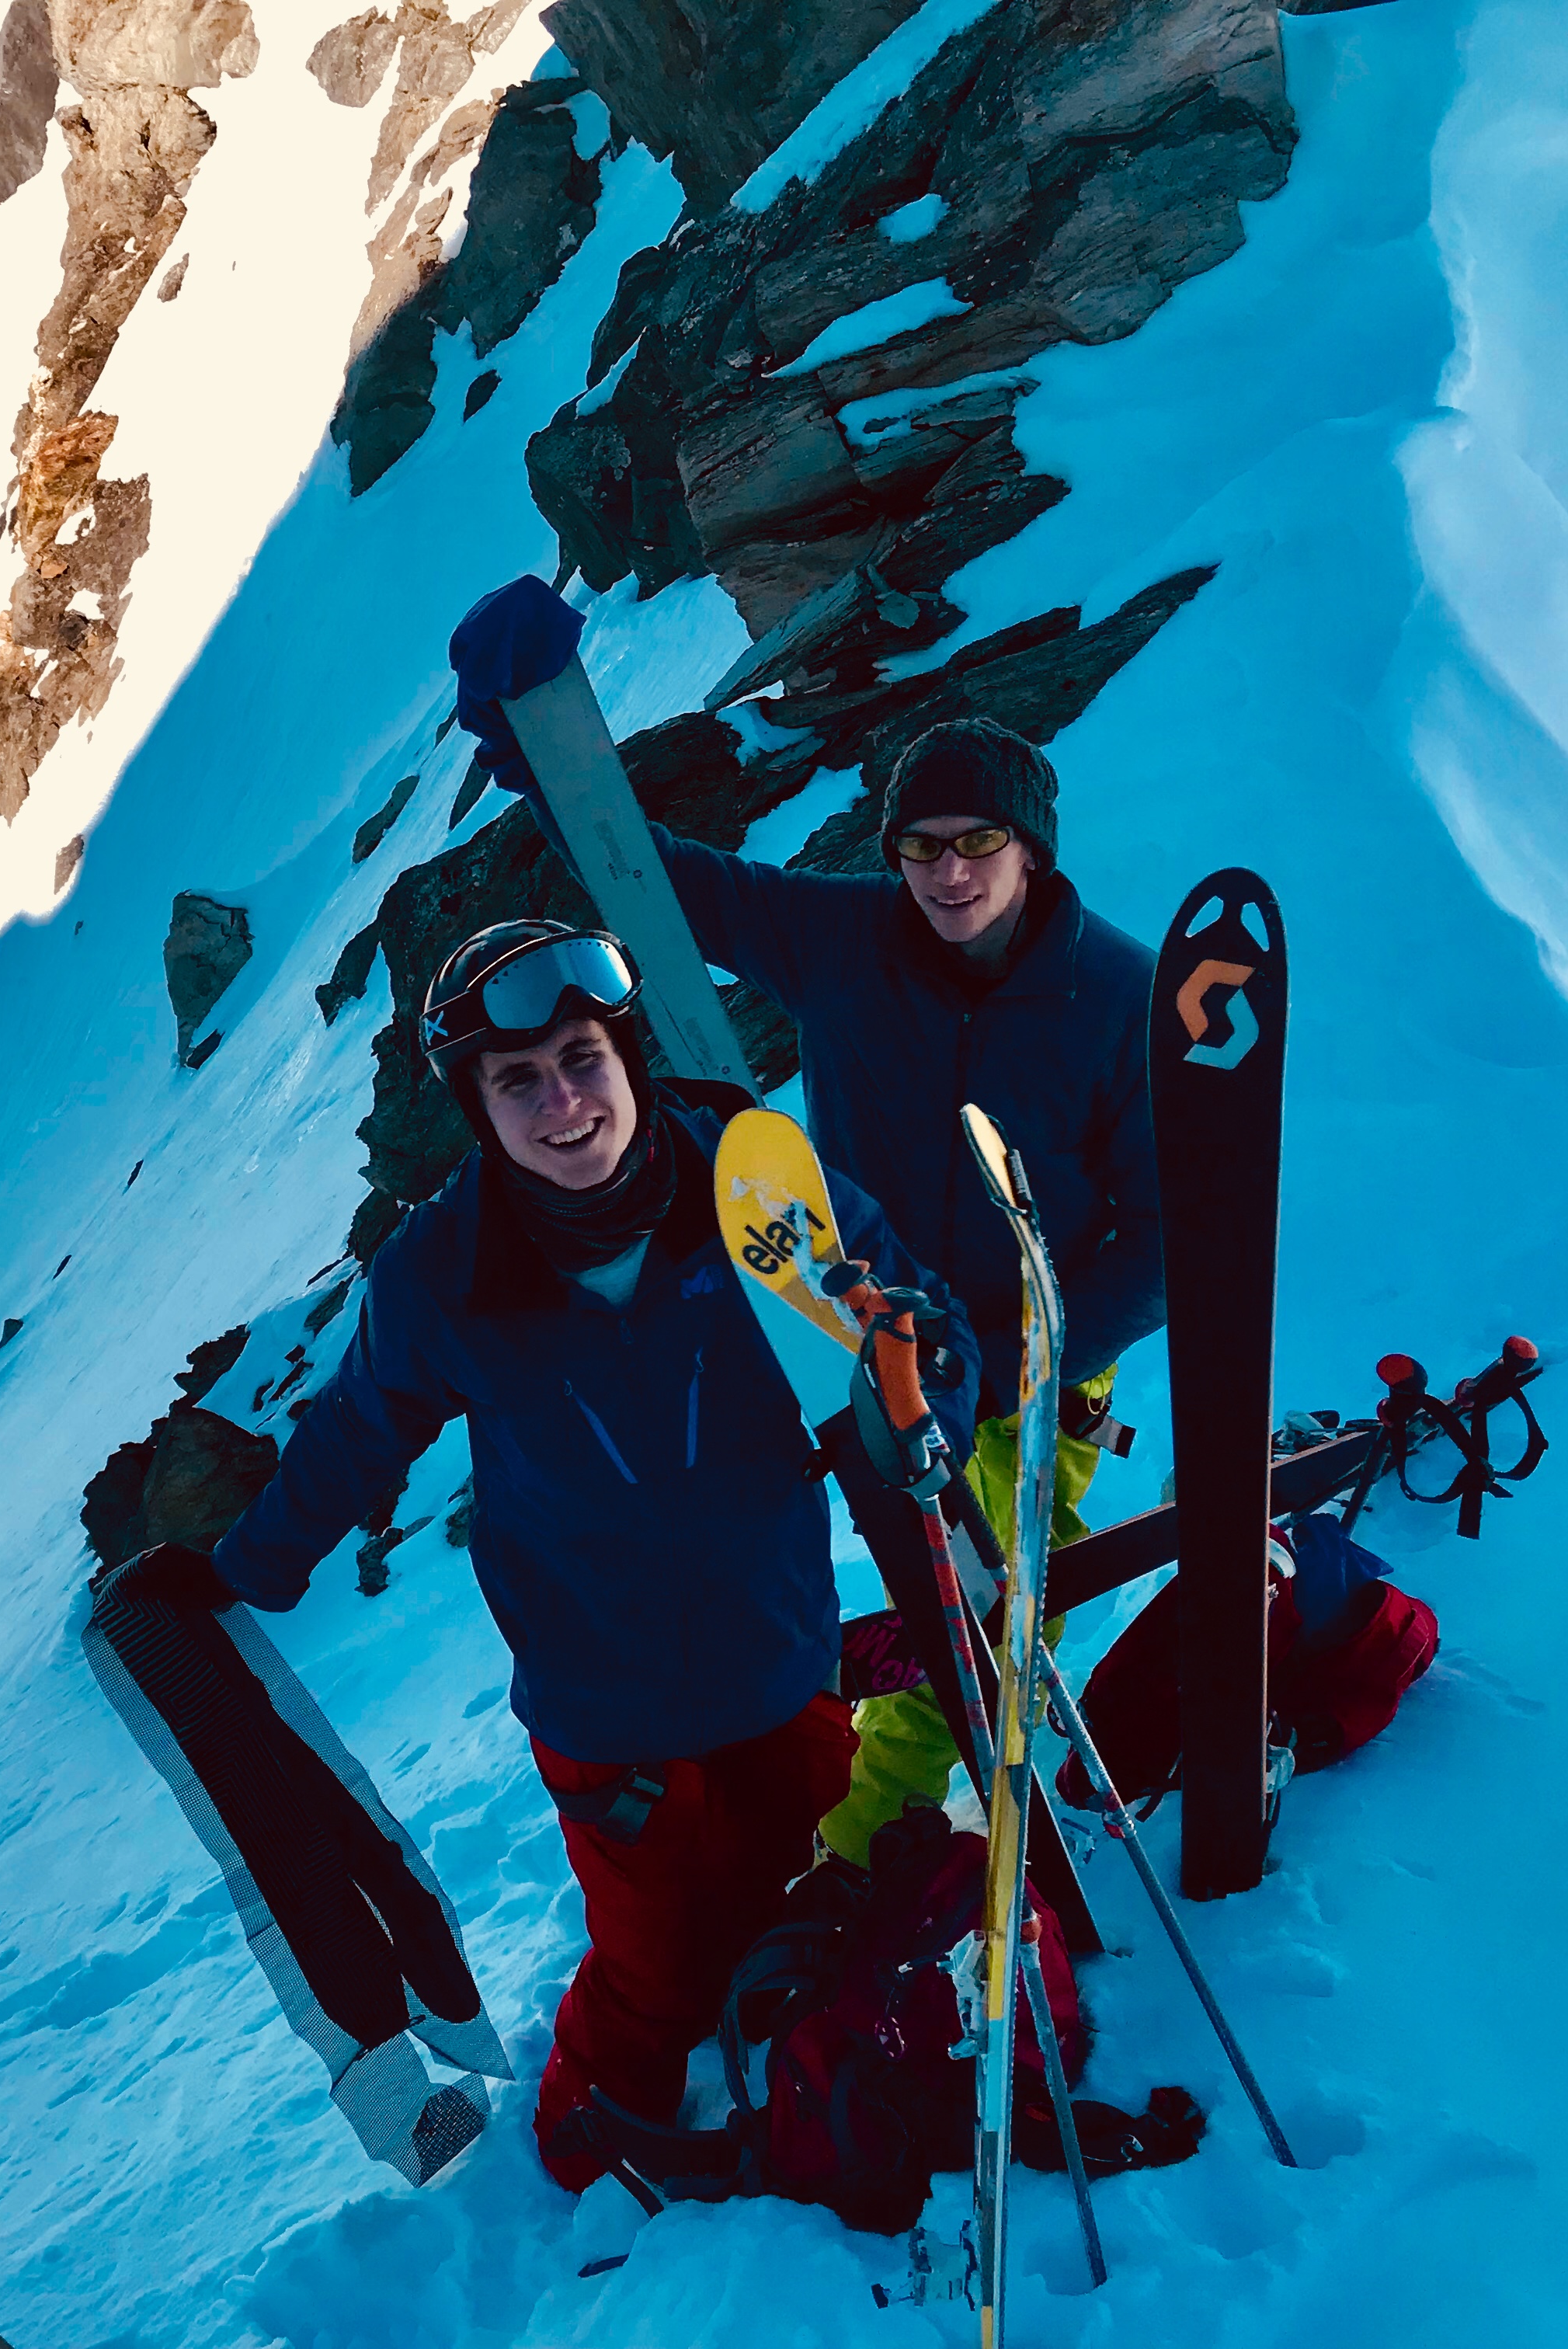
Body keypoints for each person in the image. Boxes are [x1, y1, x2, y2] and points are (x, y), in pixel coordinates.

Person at [110, 920, 979, 2191]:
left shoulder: (760, 1197)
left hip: (777, 1662)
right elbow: (361, 1430)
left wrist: (923, 1402)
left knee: (814, 1899)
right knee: (656, 1969)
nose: (563, 1104)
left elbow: (917, 1339)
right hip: (604, 1711)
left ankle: (803, 2084)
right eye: (517, 1083)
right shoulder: (442, 1273)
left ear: (626, 1053)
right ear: (477, 1105)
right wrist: (247, 1569)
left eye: (580, 1059)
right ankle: (578, 2156)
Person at [447, 578, 1163, 1870]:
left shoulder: (1117, 996)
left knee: (996, 1595)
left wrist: (1024, 1364)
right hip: (846, 1329)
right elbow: (665, 892)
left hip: (1026, 1362)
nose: (947, 872)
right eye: (921, 845)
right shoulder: (849, 941)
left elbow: (1164, 1239)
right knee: (897, 1575)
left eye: (976, 845)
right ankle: (827, 1797)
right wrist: (546, 761)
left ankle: (876, 1838)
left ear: (1032, 851)